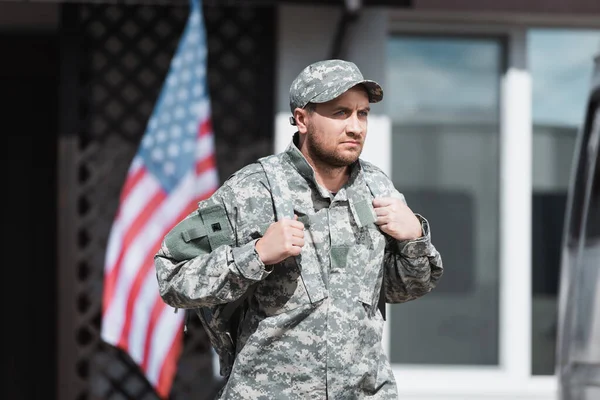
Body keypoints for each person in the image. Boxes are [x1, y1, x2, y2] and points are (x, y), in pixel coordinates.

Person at [154, 59, 443, 399]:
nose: (356, 127)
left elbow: (399, 289)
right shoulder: (253, 190)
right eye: (340, 113)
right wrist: (255, 256)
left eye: (361, 113)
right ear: (303, 119)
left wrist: (414, 240)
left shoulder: (377, 188)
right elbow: (171, 276)